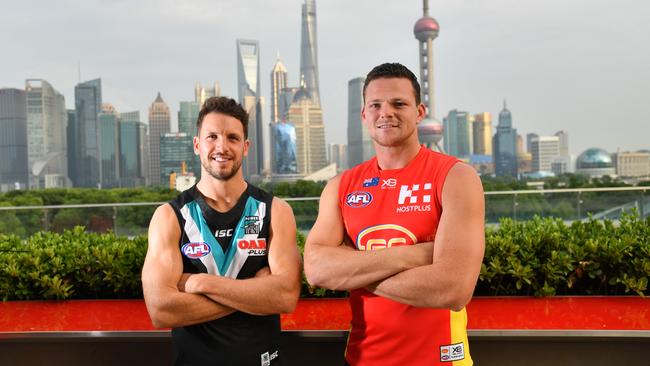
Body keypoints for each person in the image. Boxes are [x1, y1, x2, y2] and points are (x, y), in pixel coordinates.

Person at [304, 63, 485, 366]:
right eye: (375, 105)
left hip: (441, 361)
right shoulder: (341, 186)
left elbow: (454, 288)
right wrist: (415, 255)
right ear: (364, 115)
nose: (385, 112)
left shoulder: (455, 177)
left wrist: (353, 270)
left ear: (419, 111)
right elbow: (316, 270)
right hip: (362, 359)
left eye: (399, 103)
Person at [142, 96, 301, 366]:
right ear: (197, 145)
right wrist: (258, 292)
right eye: (212, 136)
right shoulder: (170, 216)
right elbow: (161, 310)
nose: (221, 146)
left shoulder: (275, 211)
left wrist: (202, 284)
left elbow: (285, 296)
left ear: (246, 146)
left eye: (232, 138)